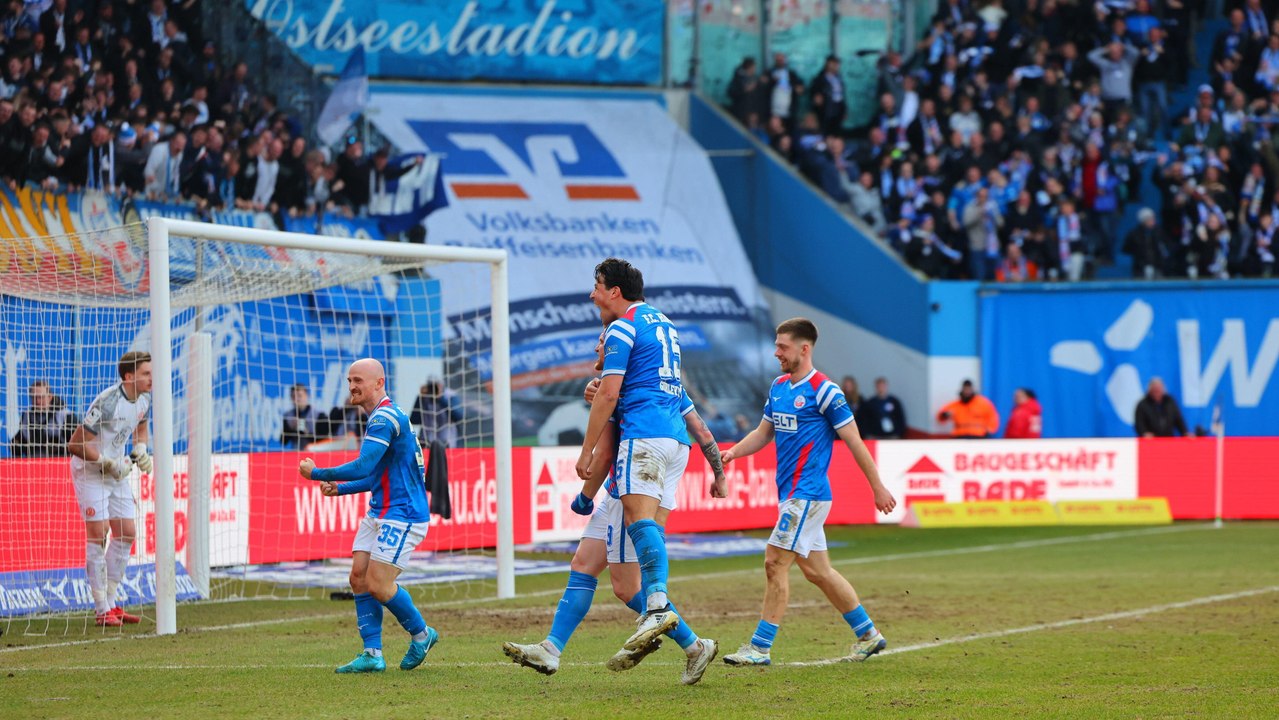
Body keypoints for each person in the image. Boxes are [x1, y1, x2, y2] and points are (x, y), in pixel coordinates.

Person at [502, 322, 725, 685]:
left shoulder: (616, 388)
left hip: (628, 485)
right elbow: (701, 430)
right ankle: (551, 648)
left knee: (626, 587)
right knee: (584, 563)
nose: (598, 348)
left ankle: (693, 644)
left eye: (602, 342)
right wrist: (719, 473)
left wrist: (584, 496)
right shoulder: (663, 386)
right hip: (640, 475)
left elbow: (605, 452)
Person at [719, 318, 896, 666]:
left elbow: (854, 441)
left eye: (782, 347)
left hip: (808, 494)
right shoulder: (778, 387)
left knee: (774, 562)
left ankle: (759, 647)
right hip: (792, 495)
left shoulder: (826, 391)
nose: (776, 352)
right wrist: (734, 452)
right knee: (818, 572)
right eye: (776, 345)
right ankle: (868, 634)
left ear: (804, 348)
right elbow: (763, 432)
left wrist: (877, 487)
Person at [574, 258, 690, 656]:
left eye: (597, 287)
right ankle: (552, 647)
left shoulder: (623, 326)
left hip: (644, 434)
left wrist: (586, 451)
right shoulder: (664, 324)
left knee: (638, 523)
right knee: (643, 532)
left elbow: (610, 394)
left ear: (615, 292)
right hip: (675, 439)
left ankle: (657, 606)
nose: (592, 295)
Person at [298, 358, 439, 673]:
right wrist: (341, 489)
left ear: (379, 382)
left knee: (378, 583)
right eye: (350, 380)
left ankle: (422, 634)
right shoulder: (383, 416)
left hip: (403, 514)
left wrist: (316, 473)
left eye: (358, 380)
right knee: (358, 578)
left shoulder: (383, 419)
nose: (352, 386)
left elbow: (362, 465)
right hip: (381, 510)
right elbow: (377, 475)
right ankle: (372, 654)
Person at [65, 351, 153, 627]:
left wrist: (141, 448)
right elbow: (75, 444)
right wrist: (107, 463)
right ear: (129, 376)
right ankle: (101, 608)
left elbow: (141, 426)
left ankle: (112, 601)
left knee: (127, 532)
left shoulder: (145, 399)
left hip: (115, 470)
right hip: (90, 470)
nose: (152, 378)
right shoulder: (108, 402)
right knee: (99, 532)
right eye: (146, 373)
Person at [10, 380, 76, 457]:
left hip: (59, 462)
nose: (37, 401)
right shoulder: (27, 417)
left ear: (50, 397)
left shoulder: (64, 416)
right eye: (33, 397)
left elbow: (78, 444)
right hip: (34, 462)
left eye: (41, 397)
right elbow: (19, 443)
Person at [410, 379, 463, 448]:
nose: (433, 389)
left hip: (447, 441)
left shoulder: (450, 396)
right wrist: (420, 398)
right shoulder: (424, 397)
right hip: (426, 440)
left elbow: (458, 417)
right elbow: (414, 420)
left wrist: (441, 398)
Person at [280, 383, 321, 448]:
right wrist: (291, 428)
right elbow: (283, 441)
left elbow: (324, 440)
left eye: (299, 396)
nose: (297, 399)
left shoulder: (318, 415)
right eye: (294, 396)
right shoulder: (288, 416)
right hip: (296, 452)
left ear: (306, 395)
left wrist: (307, 433)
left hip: (315, 452)